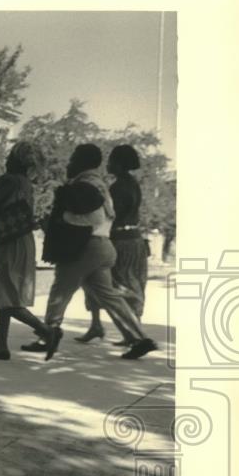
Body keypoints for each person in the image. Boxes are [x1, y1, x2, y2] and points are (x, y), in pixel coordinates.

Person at [25, 144, 157, 361]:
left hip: (86, 246)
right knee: (109, 296)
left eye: (73, 158)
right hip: (104, 247)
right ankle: (139, 338)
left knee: (61, 291)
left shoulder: (86, 184)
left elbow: (93, 218)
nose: (69, 163)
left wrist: (61, 220)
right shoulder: (102, 185)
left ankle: (48, 335)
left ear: (82, 161)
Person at [0, 141, 55, 360]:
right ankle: (2, 345)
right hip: (22, 239)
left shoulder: (9, 181)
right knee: (5, 293)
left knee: (7, 296)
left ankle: (47, 331)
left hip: (7, 241)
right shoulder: (26, 184)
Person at [75, 144, 148, 345]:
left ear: (119, 164)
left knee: (105, 283)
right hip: (135, 240)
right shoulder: (133, 184)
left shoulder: (117, 188)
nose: (108, 164)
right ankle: (123, 328)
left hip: (120, 241)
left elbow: (110, 216)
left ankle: (125, 331)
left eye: (112, 160)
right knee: (130, 284)